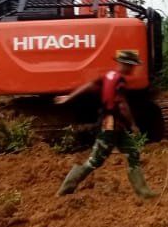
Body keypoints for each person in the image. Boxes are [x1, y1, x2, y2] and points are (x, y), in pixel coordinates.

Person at [55, 49, 158, 199]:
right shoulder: (120, 81)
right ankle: (66, 188)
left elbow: (90, 84)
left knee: (133, 152)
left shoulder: (108, 76)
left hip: (117, 126)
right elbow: (122, 104)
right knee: (95, 160)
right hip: (110, 125)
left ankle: (143, 192)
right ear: (126, 64)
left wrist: (69, 97)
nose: (133, 68)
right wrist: (133, 124)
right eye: (132, 65)